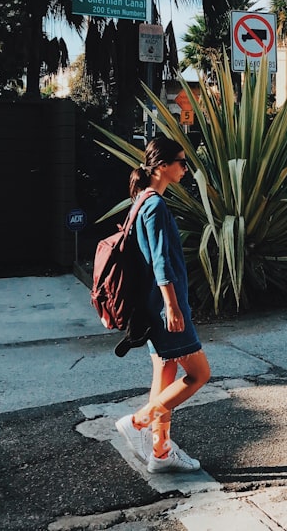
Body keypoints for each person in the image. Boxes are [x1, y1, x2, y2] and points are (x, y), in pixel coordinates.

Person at [116, 135, 211, 473]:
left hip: (153, 306)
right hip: (164, 306)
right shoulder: (154, 204)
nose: (186, 168)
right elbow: (161, 262)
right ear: (162, 166)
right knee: (199, 374)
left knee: (166, 373)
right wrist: (173, 306)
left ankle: (160, 452)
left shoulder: (140, 200)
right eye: (182, 162)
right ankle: (139, 422)